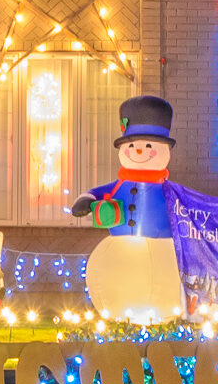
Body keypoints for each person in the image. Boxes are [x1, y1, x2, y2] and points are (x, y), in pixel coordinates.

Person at [71, 95, 185, 321]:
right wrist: (85, 200)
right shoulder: (117, 186)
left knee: (164, 282)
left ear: (165, 150)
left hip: (164, 249)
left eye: (148, 145)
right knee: (115, 279)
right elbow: (95, 193)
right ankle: (122, 319)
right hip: (120, 251)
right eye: (132, 145)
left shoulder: (171, 191)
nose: (139, 151)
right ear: (123, 149)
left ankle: (161, 317)